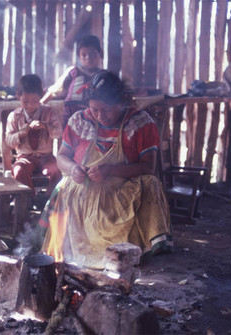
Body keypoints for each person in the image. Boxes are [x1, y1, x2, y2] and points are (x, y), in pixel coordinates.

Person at [38, 71, 173, 268]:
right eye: (94, 109)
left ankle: (133, 250)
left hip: (124, 192)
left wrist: (112, 170)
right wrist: (73, 168)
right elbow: (61, 157)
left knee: (151, 184)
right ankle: (75, 250)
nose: (100, 116)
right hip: (86, 191)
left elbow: (148, 168)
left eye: (107, 110)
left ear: (122, 102)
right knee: (64, 185)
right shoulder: (79, 121)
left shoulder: (140, 122)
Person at [5, 74, 63, 202]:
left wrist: (45, 126)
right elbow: (8, 141)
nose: (30, 105)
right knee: (18, 171)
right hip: (25, 158)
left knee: (57, 170)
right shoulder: (14, 116)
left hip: (46, 157)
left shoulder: (48, 113)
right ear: (18, 96)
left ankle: (47, 200)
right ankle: (30, 199)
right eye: (25, 101)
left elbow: (58, 133)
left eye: (35, 101)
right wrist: (21, 133)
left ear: (41, 96)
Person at [42, 35, 104, 126]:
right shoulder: (73, 72)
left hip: (94, 114)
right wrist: (41, 103)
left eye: (92, 53)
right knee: (68, 136)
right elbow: (56, 90)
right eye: (84, 54)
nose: (88, 57)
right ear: (79, 56)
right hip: (70, 112)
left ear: (100, 54)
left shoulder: (104, 76)